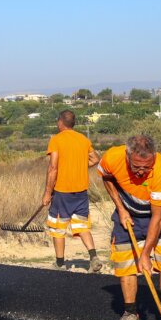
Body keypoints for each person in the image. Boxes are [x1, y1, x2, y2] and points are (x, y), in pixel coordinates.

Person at [99, 134, 161, 320]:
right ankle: (131, 316)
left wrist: (146, 254)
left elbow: (158, 217)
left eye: (147, 166)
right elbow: (106, 176)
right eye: (137, 167)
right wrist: (121, 209)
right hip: (127, 213)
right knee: (125, 262)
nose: (142, 172)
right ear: (128, 157)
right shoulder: (113, 157)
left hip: (157, 215)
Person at [42, 110, 101, 272]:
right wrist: (81, 166)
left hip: (62, 192)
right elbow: (95, 159)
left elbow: (53, 168)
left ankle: (60, 264)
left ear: (60, 122)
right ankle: (93, 257)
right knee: (82, 226)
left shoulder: (56, 140)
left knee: (58, 228)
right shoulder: (83, 139)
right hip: (81, 191)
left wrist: (47, 193)